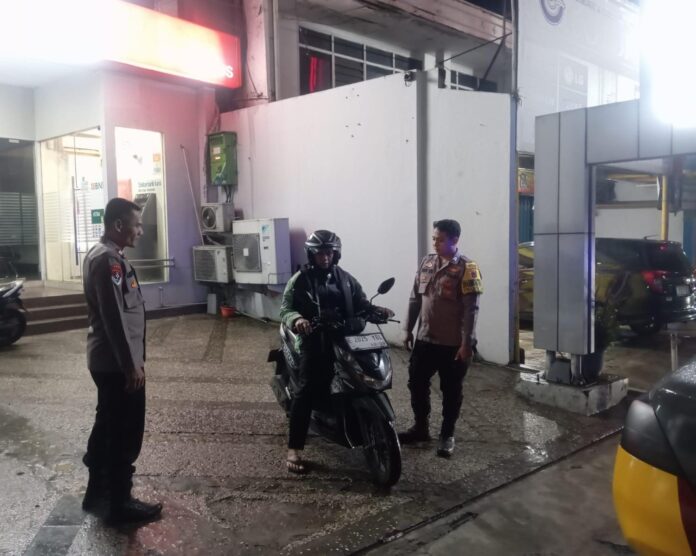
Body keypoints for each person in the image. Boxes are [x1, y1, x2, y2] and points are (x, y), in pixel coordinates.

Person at [279, 230, 392, 474]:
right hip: (314, 340)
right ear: (311, 254)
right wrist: (298, 319)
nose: (325, 257)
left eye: (329, 253)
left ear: (336, 254)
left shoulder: (346, 279)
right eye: (320, 253)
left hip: (345, 337)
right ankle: (294, 448)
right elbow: (286, 308)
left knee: (360, 375)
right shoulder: (300, 280)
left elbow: (361, 303)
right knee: (306, 390)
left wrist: (376, 310)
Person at [81, 197, 162, 524]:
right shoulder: (108, 261)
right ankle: (119, 502)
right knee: (125, 431)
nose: (140, 231)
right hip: (117, 364)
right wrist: (130, 365)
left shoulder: (106, 255)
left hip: (109, 360)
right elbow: (114, 316)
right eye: (136, 224)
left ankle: (98, 494)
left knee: (108, 425)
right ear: (118, 225)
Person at [400, 219, 483, 457]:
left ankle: (447, 435)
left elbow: (471, 310)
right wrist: (407, 329)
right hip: (425, 339)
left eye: (440, 239)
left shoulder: (467, 268)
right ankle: (420, 428)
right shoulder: (427, 262)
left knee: (451, 391)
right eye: (434, 238)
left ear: (455, 240)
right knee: (416, 383)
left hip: (453, 345)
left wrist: (467, 344)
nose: (435, 243)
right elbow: (415, 298)